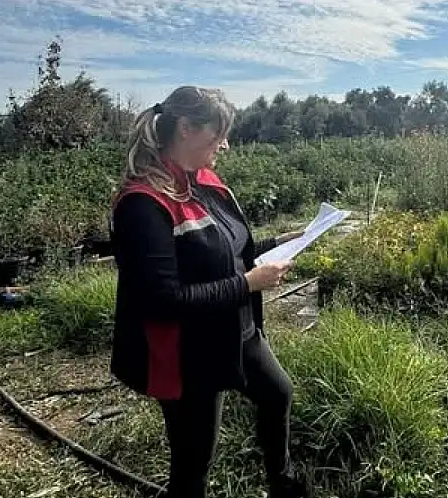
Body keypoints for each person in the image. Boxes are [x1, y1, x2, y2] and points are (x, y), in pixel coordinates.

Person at [109, 86, 310, 498]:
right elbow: (163, 301)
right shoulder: (143, 204)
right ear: (186, 128)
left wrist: (280, 242)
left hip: (238, 330)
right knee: (194, 459)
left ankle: (283, 482)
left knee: (278, 394)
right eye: (218, 134)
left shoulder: (205, 183)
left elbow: (228, 250)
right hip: (189, 353)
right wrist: (249, 284)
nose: (226, 144)